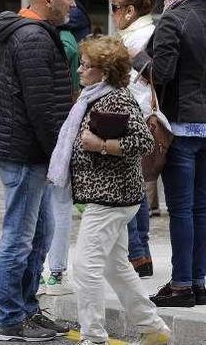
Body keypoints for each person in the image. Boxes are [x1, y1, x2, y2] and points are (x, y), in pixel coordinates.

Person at [47, 36, 170, 345]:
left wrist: (101, 145)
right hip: (108, 196)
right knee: (116, 268)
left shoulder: (115, 98)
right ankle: (153, 329)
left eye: (85, 66)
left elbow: (143, 142)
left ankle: (94, 337)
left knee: (85, 268)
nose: (79, 70)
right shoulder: (93, 96)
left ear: (103, 71)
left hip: (111, 198)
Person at [0, 0, 75, 341]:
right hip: (26, 153)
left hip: (27, 151)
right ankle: (9, 320)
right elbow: (43, 107)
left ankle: (27, 309)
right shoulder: (34, 38)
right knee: (20, 237)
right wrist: (62, 152)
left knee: (40, 232)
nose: (73, 3)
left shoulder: (32, 34)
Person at [138, 0, 206, 307]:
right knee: (201, 208)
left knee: (181, 208)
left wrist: (138, 59)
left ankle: (181, 284)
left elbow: (161, 73)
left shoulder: (172, 20)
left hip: (179, 126)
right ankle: (198, 280)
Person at [108, 0, 159, 279]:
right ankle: (141, 253)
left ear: (129, 11)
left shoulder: (133, 39)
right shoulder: (151, 32)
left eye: (114, 7)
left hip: (129, 117)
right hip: (143, 117)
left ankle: (137, 253)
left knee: (128, 190)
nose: (112, 13)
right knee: (136, 188)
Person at [41, 21, 81, 297]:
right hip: (62, 128)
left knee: (42, 204)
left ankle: (43, 273)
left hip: (38, 132)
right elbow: (74, 92)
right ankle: (55, 272)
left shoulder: (35, 37)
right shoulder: (67, 42)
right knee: (60, 203)